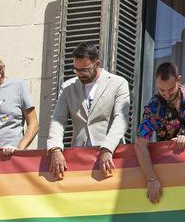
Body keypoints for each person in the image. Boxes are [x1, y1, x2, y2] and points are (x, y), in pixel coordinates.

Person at [47, 42, 131, 179]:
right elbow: (58, 121)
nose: (79, 74)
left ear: (96, 64)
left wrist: (107, 148)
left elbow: (121, 120)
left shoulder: (118, 83)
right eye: (76, 70)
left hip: (112, 155)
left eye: (84, 70)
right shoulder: (68, 87)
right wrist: (55, 148)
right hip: (80, 156)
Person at [134, 62, 185, 204]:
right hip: (170, 170)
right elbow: (140, 144)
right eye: (161, 90)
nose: (166, 95)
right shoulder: (154, 106)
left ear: (179, 79)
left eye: (171, 90)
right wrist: (151, 179)